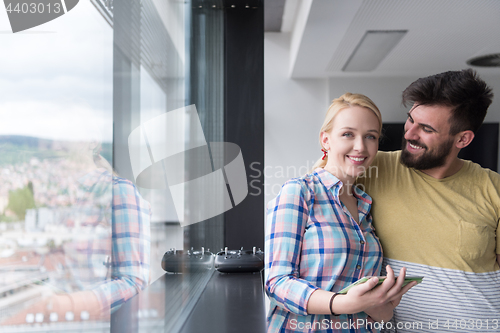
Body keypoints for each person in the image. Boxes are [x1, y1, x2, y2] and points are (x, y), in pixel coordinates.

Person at [357, 69, 499, 332]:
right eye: (410, 120)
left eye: (426, 129)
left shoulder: (494, 189)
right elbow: (311, 192)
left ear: (463, 139)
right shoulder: (370, 168)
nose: (410, 133)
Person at [265, 93, 417, 333]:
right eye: (348, 134)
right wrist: (344, 303)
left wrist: (383, 307)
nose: (360, 146)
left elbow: (377, 312)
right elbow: (277, 283)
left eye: (370, 137)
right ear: (326, 140)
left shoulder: (367, 205)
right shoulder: (300, 192)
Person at [2, 139, 151, 325]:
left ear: (91, 142)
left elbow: (134, 283)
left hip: (88, 322)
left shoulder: (119, 191)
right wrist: (18, 274)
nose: (53, 147)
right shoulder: (74, 197)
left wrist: (61, 305)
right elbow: (69, 264)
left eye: (60, 138)